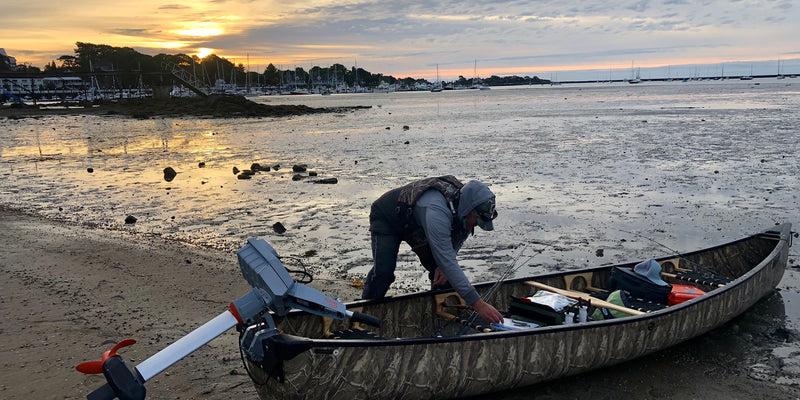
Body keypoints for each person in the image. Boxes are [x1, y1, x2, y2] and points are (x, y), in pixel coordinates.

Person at [362, 176, 503, 324]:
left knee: (444, 276)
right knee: (384, 273)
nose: (475, 226)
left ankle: (438, 321)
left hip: (416, 224)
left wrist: (444, 264)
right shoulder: (437, 210)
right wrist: (478, 304)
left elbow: (454, 245)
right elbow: (448, 261)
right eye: (477, 221)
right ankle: (364, 312)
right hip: (387, 218)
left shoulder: (464, 211)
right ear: (469, 210)